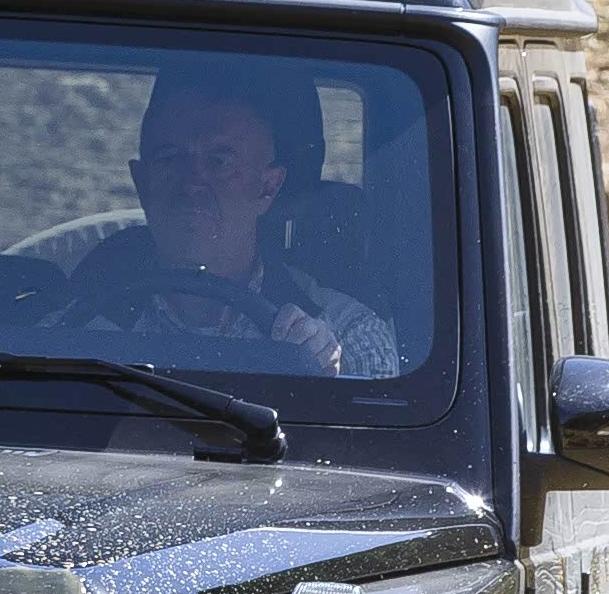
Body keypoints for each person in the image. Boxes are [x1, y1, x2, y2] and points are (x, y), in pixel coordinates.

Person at [45, 74, 398, 376]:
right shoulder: (73, 333)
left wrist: (322, 383)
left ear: (268, 187)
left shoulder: (347, 336)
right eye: (170, 159)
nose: (191, 184)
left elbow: (385, 447)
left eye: (219, 161)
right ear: (142, 182)